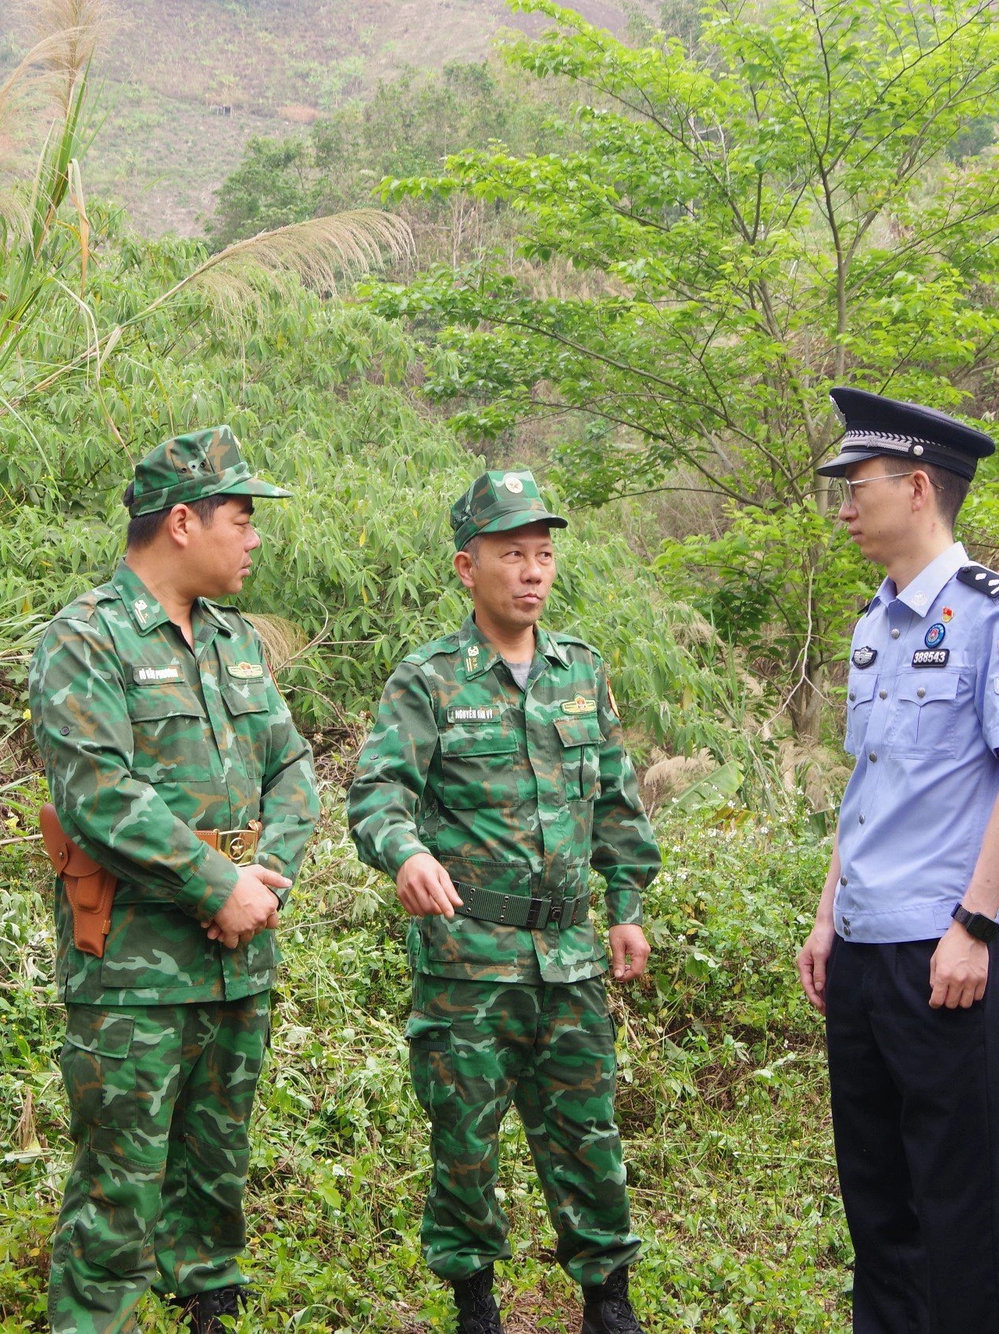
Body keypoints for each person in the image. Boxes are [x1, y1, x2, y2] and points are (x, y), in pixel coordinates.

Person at [347, 471, 660, 1334]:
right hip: (467, 965)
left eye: (543, 554)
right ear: (466, 566)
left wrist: (626, 904)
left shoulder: (580, 671)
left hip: (569, 959)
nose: (532, 571)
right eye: (511, 554)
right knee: (465, 1144)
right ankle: (474, 1302)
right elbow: (376, 794)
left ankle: (608, 1300)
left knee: (588, 1138)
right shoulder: (430, 680)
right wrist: (405, 852)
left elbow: (619, 808)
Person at [28, 425, 320, 1334]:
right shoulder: (87, 639)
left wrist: (265, 877)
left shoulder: (236, 643)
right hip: (136, 971)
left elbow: (293, 767)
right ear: (183, 521)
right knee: (119, 1187)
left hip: (239, 958)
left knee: (217, 1167)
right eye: (243, 517)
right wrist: (215, 886)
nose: (256, 536)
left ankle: (210, 1305)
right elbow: (99, 796)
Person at [794, 389, 999, 1334]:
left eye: (856, 486)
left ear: (916, 487)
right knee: (878, 1193)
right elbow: (868, 787)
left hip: (946, 953)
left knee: (963, 1194)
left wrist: (974, 925)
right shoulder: (872, 627)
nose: (845, 506)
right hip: (865, 950)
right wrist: (829, 916)